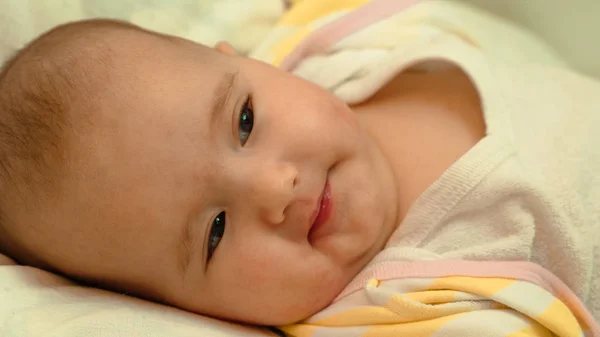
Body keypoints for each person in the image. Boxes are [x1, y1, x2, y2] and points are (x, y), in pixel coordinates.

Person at [0, 16, 597, 329]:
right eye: (214, 232)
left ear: (245, 61)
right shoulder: (405, 314)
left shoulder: (340, 43)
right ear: (185, 312)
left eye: (243, 121)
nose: (274, 188)